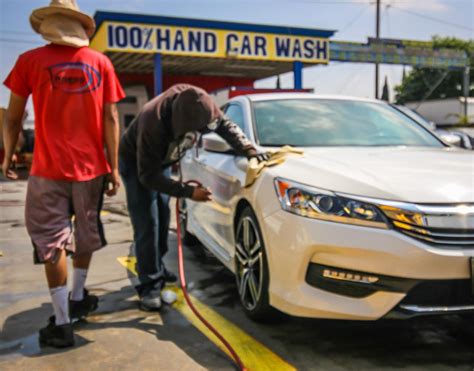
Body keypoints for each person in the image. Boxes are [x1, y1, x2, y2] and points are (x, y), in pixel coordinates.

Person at [2, 0, 125, 348]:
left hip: (47, 169)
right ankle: (78, 296)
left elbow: (12, 117)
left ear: (48, 25)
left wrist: (8, 156)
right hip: (91, 171)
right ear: (79, 27)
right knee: (84, 234)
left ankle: (62, 322)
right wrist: (113, 168)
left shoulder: (30, 61)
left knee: (51, 242)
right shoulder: (101, 63)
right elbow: (112, 119)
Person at [119, 84, 268, 311]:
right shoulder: (153, 120)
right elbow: (148, 177)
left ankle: (155, 265)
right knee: (148, 222)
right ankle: (149, 284)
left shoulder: (204, 106)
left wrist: (249, 150)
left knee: (163, 213)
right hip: (138, 165)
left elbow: (227, 127)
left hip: (164, 162)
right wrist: (188, 193)